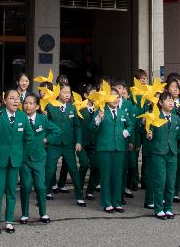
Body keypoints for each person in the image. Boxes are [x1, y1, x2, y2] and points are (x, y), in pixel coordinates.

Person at [91, 83, 133, 213]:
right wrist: (99, 118)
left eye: (118, 97)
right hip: (105, 148)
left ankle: (117, 202)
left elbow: (130, 124)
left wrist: (126, 132)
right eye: (113, 97)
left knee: (118, 176)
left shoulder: (121, 112)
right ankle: (106, 202)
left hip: (119, 148)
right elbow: (92, 127)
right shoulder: (101, 110)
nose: (116, 99)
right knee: (106, 176)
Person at [0, 89, 25, 232]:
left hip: (15, 160)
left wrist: (21, 154)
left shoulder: (22, 117)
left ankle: (9, 221)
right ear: (5, 100)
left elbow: (28, 138)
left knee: (11, 192)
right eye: (12, 98)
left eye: (17, 98)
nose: (15, 101)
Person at [19, 92, 58, 224]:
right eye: (25, 103)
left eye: (31, 103)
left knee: (41, 187)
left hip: (39, 158)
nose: (27, 106)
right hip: (24, 158)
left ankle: (43, 213)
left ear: (37, 106)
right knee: (25, 186)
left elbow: (56, 131)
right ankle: (24, 214)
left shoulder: (43, 119)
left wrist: (47, 139)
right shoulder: (20, 117)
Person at [144, 90, 180, 219]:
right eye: (167, 100)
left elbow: (179, 137)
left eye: (172, 100)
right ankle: (158, 208)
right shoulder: (154, 116)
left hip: (172, 153)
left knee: (171, 182)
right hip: (159, 153)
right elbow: (149, 133)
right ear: (160, 102)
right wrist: (149, 135)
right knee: (161, 181)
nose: (171, 102)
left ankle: (169, 208)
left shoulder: (177, 118)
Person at [45, 84, 83, 203]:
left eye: (69, 92)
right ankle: (45, 193)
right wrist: (46, 139)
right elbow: (44, 124)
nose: (67, 94)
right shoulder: (50, 106)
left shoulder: (72, 108)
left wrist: (78, 141)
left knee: (73, 170)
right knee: (50, 169)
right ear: (58, 93)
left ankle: (79, 196)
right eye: (64, 92)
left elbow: (77, 126)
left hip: (68, 144)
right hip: (54, 144)